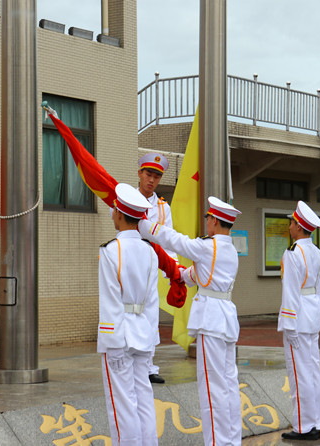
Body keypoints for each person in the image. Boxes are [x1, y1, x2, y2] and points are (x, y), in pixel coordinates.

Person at [139, 196, 242, 446]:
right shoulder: (229, 249)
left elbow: (176, 241)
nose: (206, 222)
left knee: (212, 389)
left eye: (208, 218)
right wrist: (175, 274)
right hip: (226, 320)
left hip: (212, 321)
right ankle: (231, 441)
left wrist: (145, 225)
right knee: (228, 384)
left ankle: (217, 443)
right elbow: (197, 276)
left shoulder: (208, 247)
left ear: (215, 221)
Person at [98, 183, 159, 446]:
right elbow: (152, 301)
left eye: (113, 210)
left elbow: (111, 301)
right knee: (144, 400)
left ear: (120, 214)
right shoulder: (149, 250)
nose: (112, 214)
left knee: (122, 405)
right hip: (143, 332)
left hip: (119, 335)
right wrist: (151, 336)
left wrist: (110, 342)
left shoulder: (111, 251)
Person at [279, 201, 320, 441]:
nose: (289, 226)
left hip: (296, 320)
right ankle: (315, 421)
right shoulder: (318, 253)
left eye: (291, 222)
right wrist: (314, 318)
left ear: (298, 226)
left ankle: (302, 427)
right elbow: (319, 291)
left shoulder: (293, 253)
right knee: (313, 372)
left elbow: (290, 292)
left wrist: (289, 325)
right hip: (312, 319)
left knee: (299, 375)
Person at [137, 152, 176, 384]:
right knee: (132, 314)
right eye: (148, 174)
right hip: (131, 265)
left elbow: (168, 239)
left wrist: (172, 270)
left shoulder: (163, 208)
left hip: (152, 266)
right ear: (139, 173)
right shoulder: (126, 199)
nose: (152, 180)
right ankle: (134, 361)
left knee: (151, 316)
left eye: (156, 177)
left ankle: (150, 365)